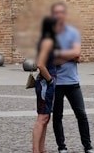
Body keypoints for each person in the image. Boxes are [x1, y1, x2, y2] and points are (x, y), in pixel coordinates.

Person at [51, 2, 94, 153]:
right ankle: (61, 147)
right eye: (56, 13)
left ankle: (88, 146)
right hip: (56, 83)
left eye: (61, 12)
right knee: (57, 116)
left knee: (81, 114)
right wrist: (68, 55)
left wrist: (61, 55)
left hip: (72, 81)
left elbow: (77, 54)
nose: (59, 15)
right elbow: (52, 60)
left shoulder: (73, 32)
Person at [33, 15, 59, 153]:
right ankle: (36, 150)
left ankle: (42, 149)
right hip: (45, 83)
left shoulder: (47, 41)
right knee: (42, 118)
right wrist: (50, 80)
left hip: (46, 82)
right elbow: (41, 65)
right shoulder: (47, 42)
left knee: (46, 118)